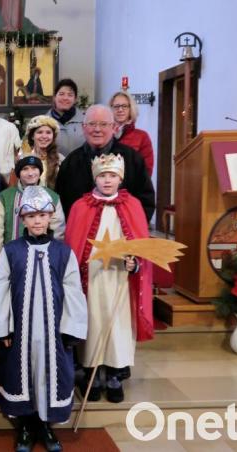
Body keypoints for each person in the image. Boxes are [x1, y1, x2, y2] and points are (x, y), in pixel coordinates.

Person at [0, 186, 88, 452]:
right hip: (20, 331)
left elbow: (73, 290)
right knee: (21, 374)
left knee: (49, 375)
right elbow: (0, 288)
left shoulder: (63, 252)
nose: (37, 221)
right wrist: (1, 329)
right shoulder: (11, 251)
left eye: (42, 215)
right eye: (31, 216)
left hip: (53, 332)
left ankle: (45, 425)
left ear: (50, 217)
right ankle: (25, 425)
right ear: (22, 219)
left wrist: (71, 328)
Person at [64, 154, 154, 404]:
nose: (107, 181)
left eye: (112, 176)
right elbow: (73, 244)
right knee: (93, 320)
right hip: (90, 278)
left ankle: (115, 374)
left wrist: (135, 263)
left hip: (120, 279)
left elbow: (141, 246)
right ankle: (91, 372)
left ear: (120, 178)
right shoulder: (81, 207)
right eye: (102, 176)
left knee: (119, 323)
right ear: (95, 178)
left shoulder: (132, 205)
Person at [55, 104, 155, 222]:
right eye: (92, 124)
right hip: (82, 232)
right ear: (83, 127)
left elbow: (145, 200)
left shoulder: (132, 159)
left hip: (123, 233)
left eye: (103, 124)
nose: (97, 129)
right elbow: (61, 204)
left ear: (113, 127)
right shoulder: (70, 162)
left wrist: (133, 228)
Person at [0, 154, 65, 257]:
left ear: (40, 171)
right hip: (12, 257)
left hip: (44, 257)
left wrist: (53, 258)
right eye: (25, 169)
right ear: (18, 173)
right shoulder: (5, 197)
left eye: (34, 168)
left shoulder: (52, 197)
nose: (30, 173)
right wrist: (0, 260)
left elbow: (58, 231)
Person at [110, 91, 154, 175]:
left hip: (131, 187)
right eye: (116, 106)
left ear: (131, 109)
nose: (120, 109)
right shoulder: (105, 134)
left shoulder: (142, 137)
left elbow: (147, 171)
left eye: (124, 106)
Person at [46, 79, 85, 158]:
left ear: (75, 99)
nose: (65, 98)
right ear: (54, 97)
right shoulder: (44, 122)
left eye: (70, 95)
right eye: (61, 94)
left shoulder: (85, 121)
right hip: (53, 167)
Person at [23, 115, 62, 187]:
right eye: (40, 132)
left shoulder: (60, 160)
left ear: (53, 136)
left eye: (48, 132)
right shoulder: (23, 159)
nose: (44, 136)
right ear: (32, 136)